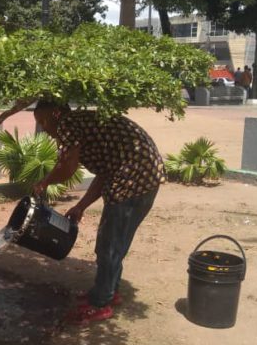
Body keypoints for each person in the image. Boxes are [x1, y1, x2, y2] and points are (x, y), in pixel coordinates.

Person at [31, 101, 164, 324]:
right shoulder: (85, 124)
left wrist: (44, 183)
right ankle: (109, 291)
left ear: (55, 114)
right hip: (142, 177)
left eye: (43, 122)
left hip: (133, 181)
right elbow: (104, 172)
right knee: (114, 242)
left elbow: (67, 167)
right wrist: (81, 206)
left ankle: (101, 304)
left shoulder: (68, 125)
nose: (44, 129)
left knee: (109, 245)